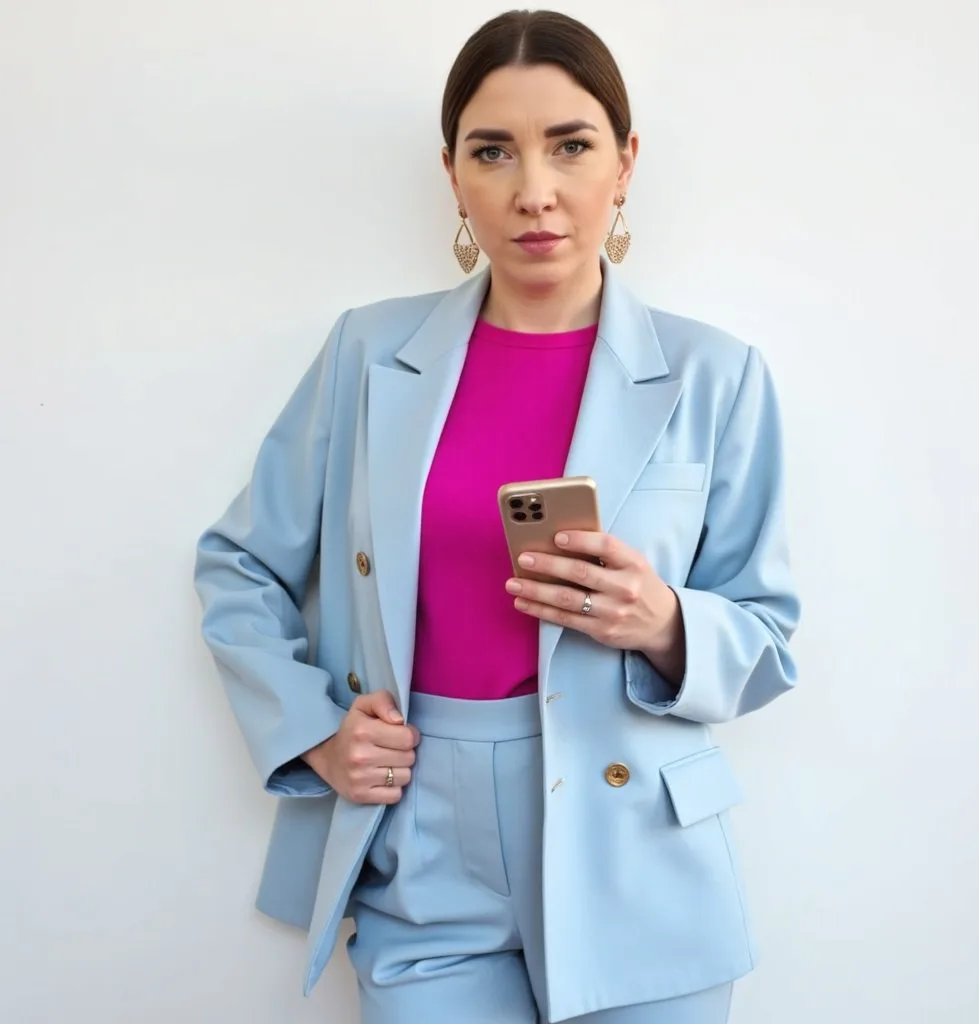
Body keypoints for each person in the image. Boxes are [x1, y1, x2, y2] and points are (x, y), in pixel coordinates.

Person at [193, 9, 800, 1024]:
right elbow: (240, 563)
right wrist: (315, 733)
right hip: (422, 840)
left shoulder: (716, 375)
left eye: (570, 145)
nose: (534, 191)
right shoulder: (367, 354)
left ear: (625, 161)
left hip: (638, 851)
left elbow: (769, 635)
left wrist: (662, 620)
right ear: (452, 173)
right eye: (492, 151)